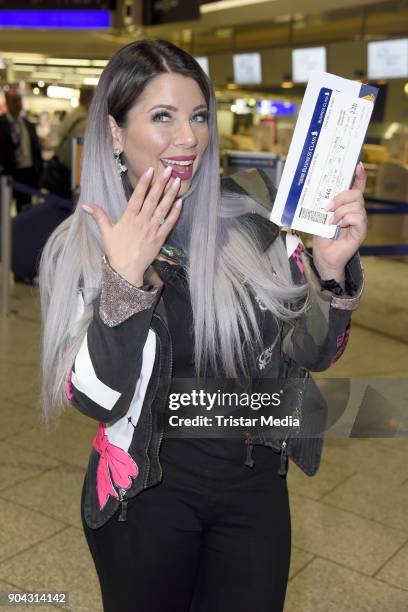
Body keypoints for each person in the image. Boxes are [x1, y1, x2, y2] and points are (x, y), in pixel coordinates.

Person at [39, 40, 367, 612]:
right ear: (115, 133)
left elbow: (312, 352)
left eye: (197, 116)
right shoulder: (85, 241)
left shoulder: (251, 217)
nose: (188, 138)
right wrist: (125, 277)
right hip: (147, 497)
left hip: (255, 490)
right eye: (162, 117)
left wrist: (330, 271)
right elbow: (95, 399)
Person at [0, 87, 43, 213]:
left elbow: (36, 150)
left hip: (27, 174)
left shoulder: (28, 124)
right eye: (14, 100)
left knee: (24, 212)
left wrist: (38, 171)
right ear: (7, 102)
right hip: (7, 175)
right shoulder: (1, 124)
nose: (18, 104)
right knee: (3, 211)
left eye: (19, 100)